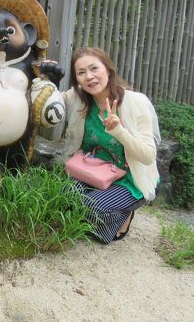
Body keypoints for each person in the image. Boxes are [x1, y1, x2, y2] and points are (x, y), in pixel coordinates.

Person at [60, 47, 160, 244]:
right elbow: (50, 99)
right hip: (94, 172)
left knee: (92, 209)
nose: (89, 77)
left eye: (94, 68)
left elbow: (148, 156)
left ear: (108, 69)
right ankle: (101, 202)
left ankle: (125, 216)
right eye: (81, 73)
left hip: (129, 180)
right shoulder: (79, 99)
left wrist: (119, 131)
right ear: (77, 80)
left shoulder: (136, 103)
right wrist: (44, 78)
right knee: (63, 197)